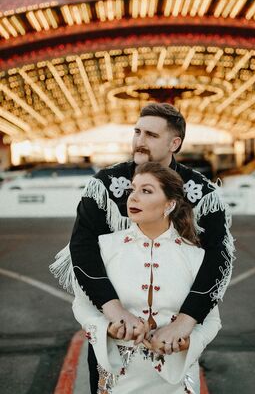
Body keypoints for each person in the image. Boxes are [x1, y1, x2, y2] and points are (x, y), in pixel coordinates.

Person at [50, 102, 234, 394]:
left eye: (150, 134)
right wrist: (113, 311)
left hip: (172, 339)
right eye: (137, 132)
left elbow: (217, 260)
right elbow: (82, 248)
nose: (139, 140)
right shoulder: (105, 185)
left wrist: (184, 324)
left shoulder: (202, 192)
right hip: (113, 335)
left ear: (174, 143)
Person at [71, 162, 222, 393]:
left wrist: (187, 341)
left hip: (176, 381)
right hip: (117, 380)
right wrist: (107, 328)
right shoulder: (105, 247)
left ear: (170, 204)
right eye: (133, 189)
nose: (133, 197)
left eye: (146, 190)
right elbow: (81, 304)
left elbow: (211, 319)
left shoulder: (195, 256)